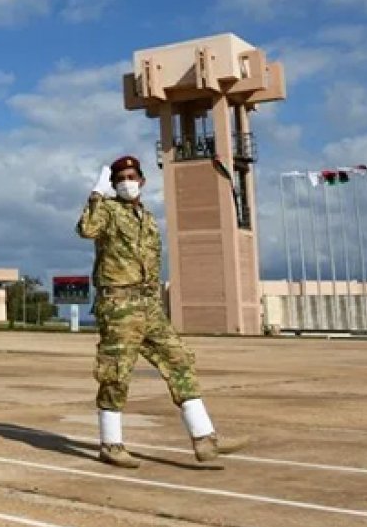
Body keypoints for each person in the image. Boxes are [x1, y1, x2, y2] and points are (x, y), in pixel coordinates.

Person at [77, 155, 250, 468]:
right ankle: (111, 444)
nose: (127, 182)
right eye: (120, 178)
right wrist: (97, 195)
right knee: (116, 372)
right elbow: (87, 229)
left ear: (142, 181)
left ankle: (204, 437)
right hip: (119, 305)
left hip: (148, 304)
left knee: (179, 359)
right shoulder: (109, 211)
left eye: (132, 176)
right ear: (114, 184)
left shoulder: (148, 217)